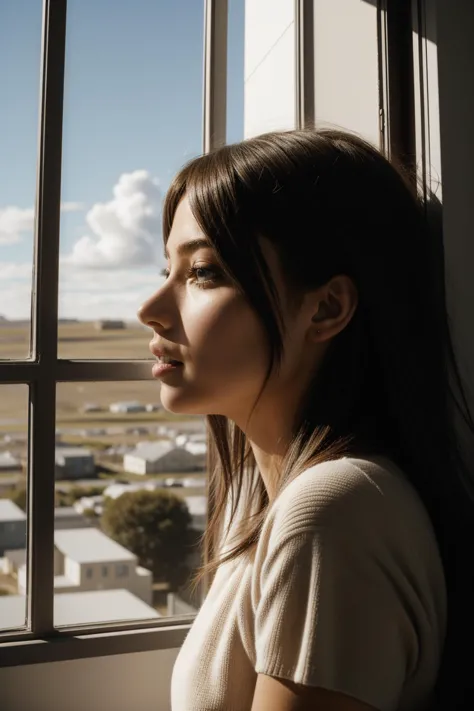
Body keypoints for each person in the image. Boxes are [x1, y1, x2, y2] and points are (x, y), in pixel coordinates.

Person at [137, 128, 474, 711]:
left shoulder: (331, 511)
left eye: (204, 272)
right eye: (168, 269)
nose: (151, 310)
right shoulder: (264, 497)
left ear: (326, 308)